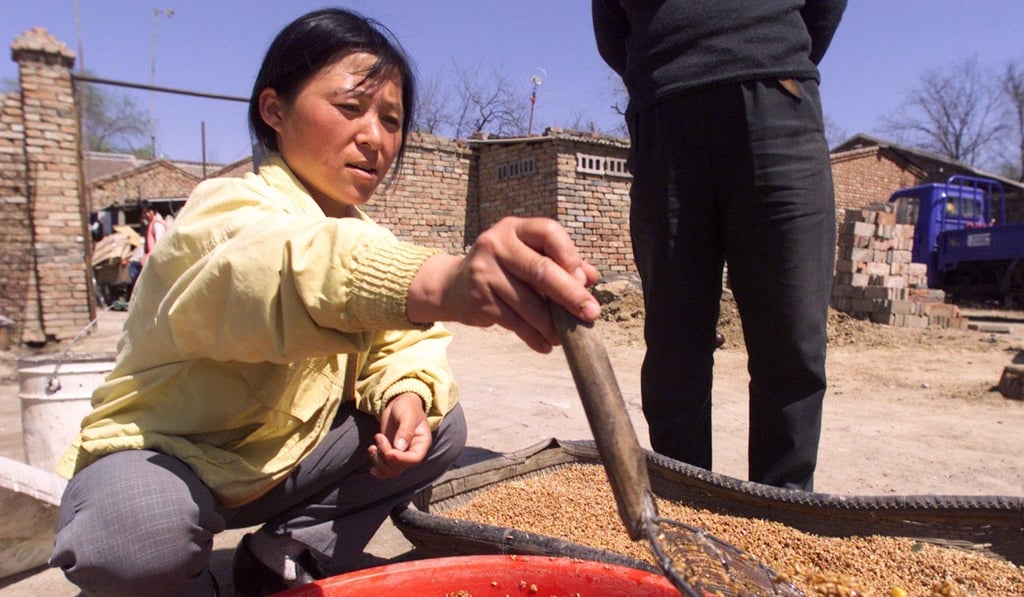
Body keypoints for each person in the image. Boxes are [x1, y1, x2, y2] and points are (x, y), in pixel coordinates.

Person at [49, 8, 600, 596]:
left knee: (442, 423)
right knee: (132, 539)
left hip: (286, 463)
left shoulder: (368, 233)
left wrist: (406, 395)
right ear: (274, 110)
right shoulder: (221, 213)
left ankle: (282, 553)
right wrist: (441, 280)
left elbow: (402, 344)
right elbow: (278, 268)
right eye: (349, 108)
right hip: (172, 462)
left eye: (391, 120)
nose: (375, 137)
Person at [592, 0, 846, 491]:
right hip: (665, 111)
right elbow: (611, 26)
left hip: (776, 94)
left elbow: (825, 9)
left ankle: (781, 519)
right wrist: (665, 68)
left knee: (791, 338)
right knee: (674, 345)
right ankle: (686, 512)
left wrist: (764, 50)